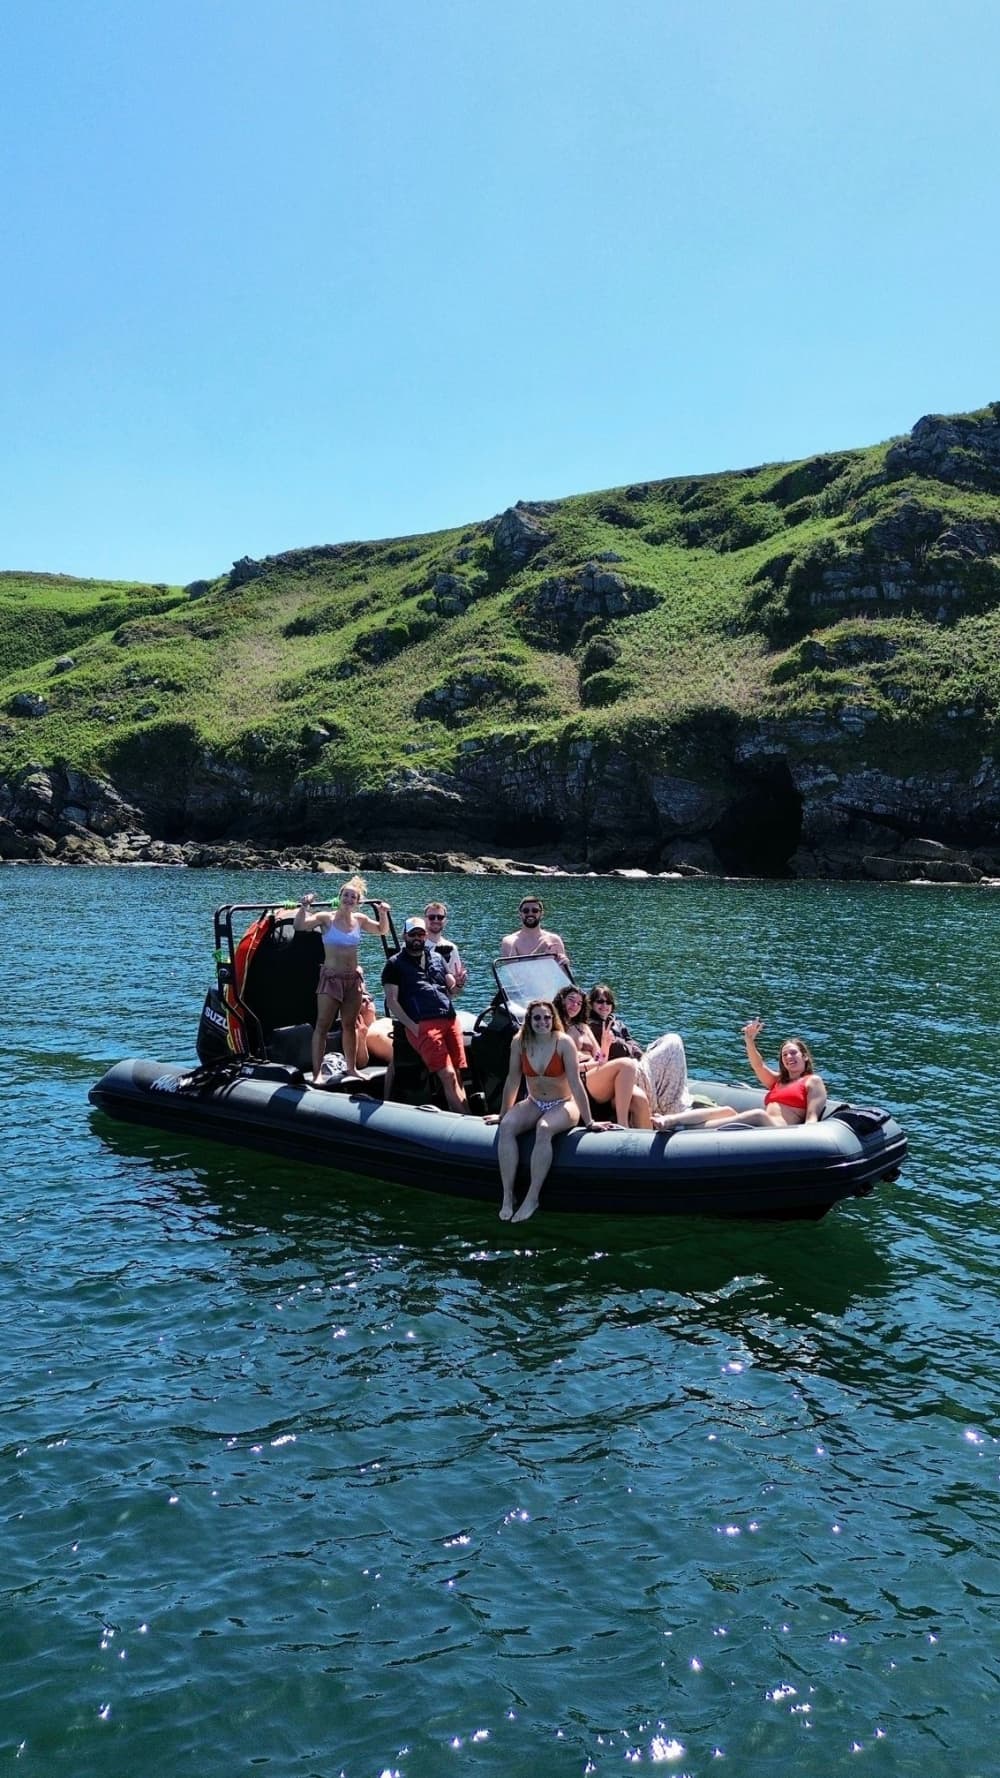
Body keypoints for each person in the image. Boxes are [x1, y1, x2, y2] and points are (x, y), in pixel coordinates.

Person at [484, 999, 607, 1222]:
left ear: (554, 1019)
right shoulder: (519, 1042)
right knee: (508, 1126)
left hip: (563, 1103)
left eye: (547, 1017)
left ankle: (532, 1197)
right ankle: (508, 1195)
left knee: (544, 1128)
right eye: (537, 1018)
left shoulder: (563, 1042)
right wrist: (503, 1114)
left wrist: (589, 1122)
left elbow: (576, 1083)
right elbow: (513, 1080)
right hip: (534, 1101)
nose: (543, 1022)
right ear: (529, 1021)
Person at [294, 877, 390, 1080]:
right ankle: (317, 1073)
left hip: (353, 979)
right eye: (345, 895)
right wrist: (304, 906)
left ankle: (352, 1068)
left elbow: (382, 930)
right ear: (339, 898)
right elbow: (300, 925)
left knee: (349, 1025)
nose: (348, 899)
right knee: (323, 1025)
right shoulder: (326, 918)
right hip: (331, 978)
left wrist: (383, 914)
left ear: (358, 902)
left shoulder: (360, 920)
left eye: (353, 897)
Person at [652, 1021, 827, 1132]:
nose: (789, 1057)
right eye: (785, 1055)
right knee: (726, 1110)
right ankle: (672, 1121)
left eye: (793, 1053)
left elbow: (812, 1117)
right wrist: (749, 1040)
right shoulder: (778, 1081)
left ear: (804, 1056)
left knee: (759, 1114)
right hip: (765, 1127)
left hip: (781, 1130)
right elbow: (758, 1065)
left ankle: (684, 1130)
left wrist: (806, 1140)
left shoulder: (813, 1081)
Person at [381, 916, 469, 1114]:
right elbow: (392, 1001)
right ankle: (466, 1118)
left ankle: (466, 1114)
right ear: (405, 936)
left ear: (426, 935)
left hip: (449, 1018)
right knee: (447, 1075)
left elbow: (452, 989)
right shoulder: (395, 964)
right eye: (413, 934)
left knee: (457, 1072)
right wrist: (413, 1027)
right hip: (423, 1024)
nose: (417, 938)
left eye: (420, 934)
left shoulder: (436, 958)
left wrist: (459, 982)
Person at [552, 985, 652, 1128]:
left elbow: (601, 1058)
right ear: (561, 1000)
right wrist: (591, 1064)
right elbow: (563, 1068)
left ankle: (646, 1144)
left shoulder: (583, 1027)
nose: (575, 1006)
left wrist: (605, 1045)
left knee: (639, 1099)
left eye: (579, 1003)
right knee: (628, 1064)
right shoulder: (555, 1030)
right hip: (579, 1079)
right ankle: (623, 1125)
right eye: (571, 1000)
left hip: (595, 1075)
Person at [500, 896, 571, 969]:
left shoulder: (554, 940)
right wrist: (539, 950)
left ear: (541, 913)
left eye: (535, 910)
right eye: (526, 911)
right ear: (520, 914)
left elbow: (566, 977)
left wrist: (565, 965)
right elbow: (516, 975)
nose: (530, 914)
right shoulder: (509, 941)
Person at [587, 985, 643, 1060]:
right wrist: (631, 1049)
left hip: (629, 1058)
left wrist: (636, 1049)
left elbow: (629, 1039)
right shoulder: (591, 1026)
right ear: (591, 1004)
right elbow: (617, 1048)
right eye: (600, 1001)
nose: (604, 1005)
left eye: (608, 1002)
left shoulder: (618, 1023)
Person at [424, 901, 468, 993]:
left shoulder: (452, 948)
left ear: (445, 921)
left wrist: (459, 985)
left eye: (440, 917)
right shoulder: (414, 944)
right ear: (424, 920)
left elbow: (454, 992)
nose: (436, 920)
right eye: (432, 917)